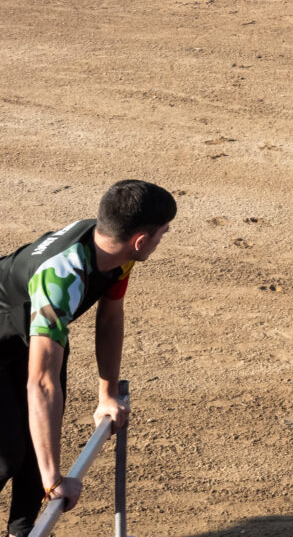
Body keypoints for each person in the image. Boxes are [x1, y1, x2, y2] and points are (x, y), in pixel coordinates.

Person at [0, 180, 176, 537]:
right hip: (8, 341)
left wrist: (107, 394)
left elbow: (110, 317)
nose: (162, 240)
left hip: (27, 339)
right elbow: (42, 382)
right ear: (140, 240)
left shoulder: (115, 251)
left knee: (39, 449)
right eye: (162, 234)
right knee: (7, 455)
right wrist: (55, 480)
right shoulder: (60, 280)